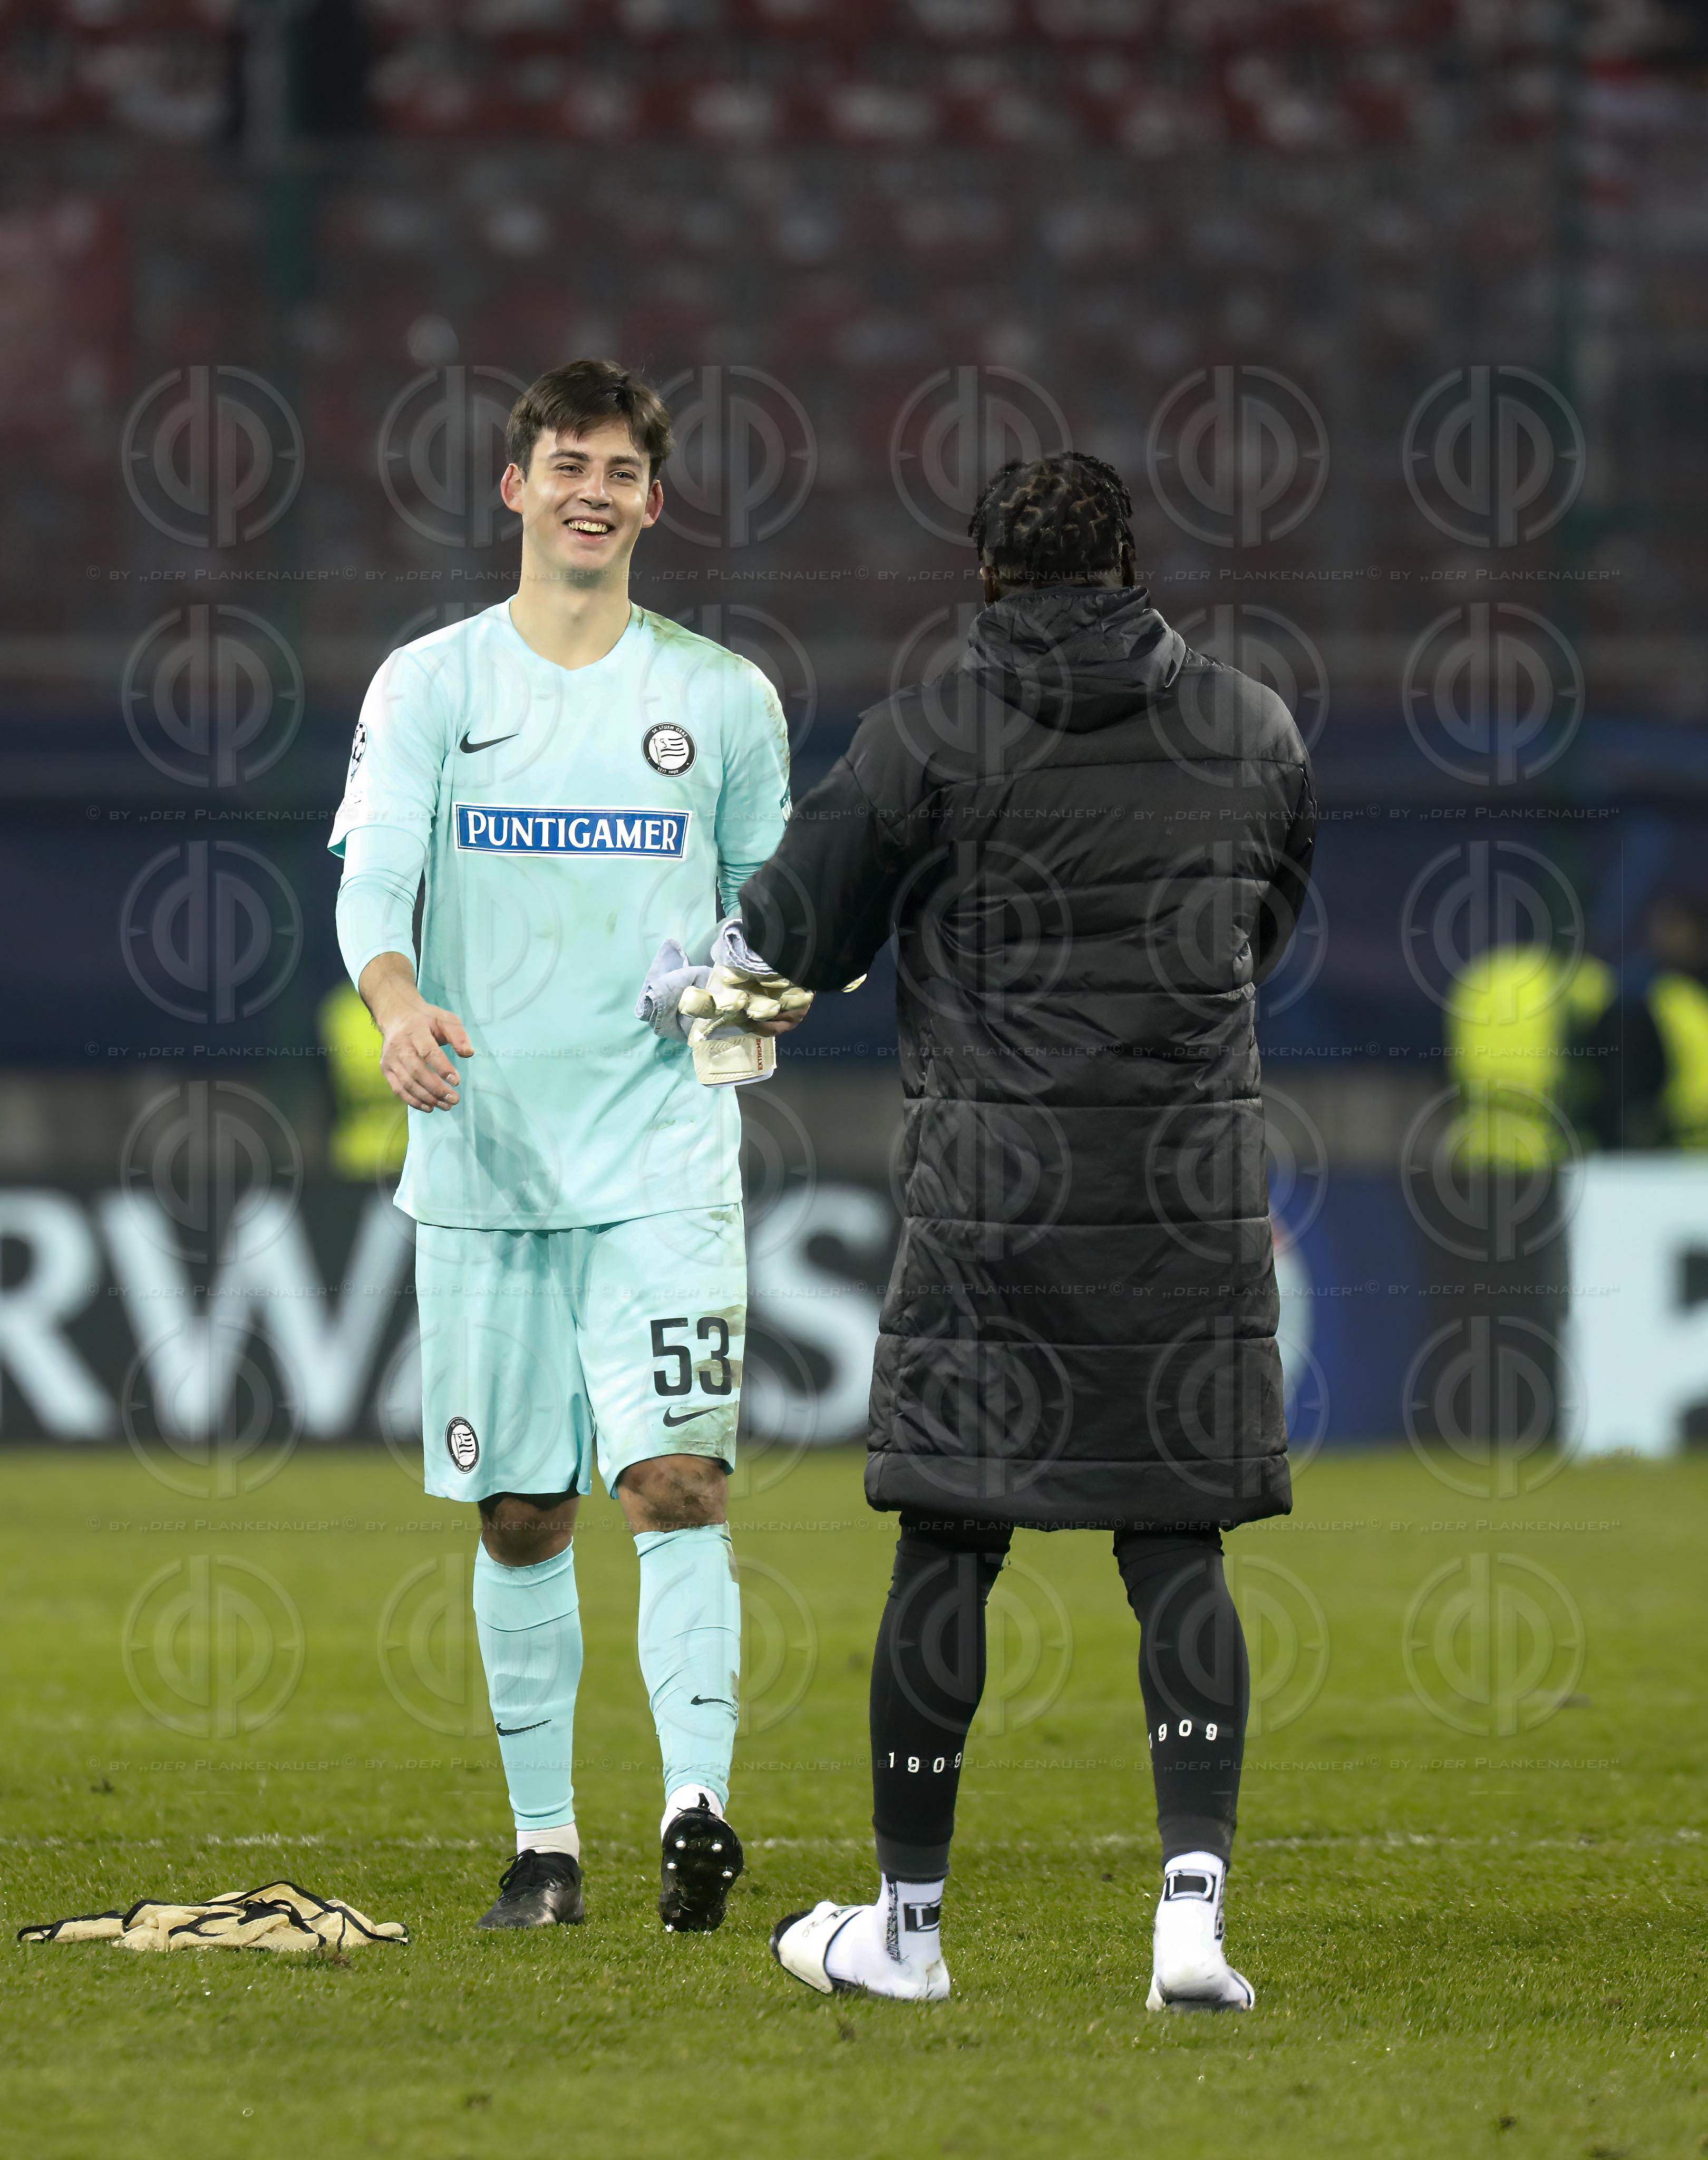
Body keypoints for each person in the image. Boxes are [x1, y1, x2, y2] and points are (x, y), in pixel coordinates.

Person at [733, 452, 1317, 2008]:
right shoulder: (1253, 728)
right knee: (1177, 1544)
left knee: (948, 1537)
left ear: (983, 574)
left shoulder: (922, 739)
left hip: (991, 1204)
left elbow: (790, 935)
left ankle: (907, 1933)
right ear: (1130, 558)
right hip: (1185, 1202)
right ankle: (1191, 1917)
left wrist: (725, 974)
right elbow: (1262, 925)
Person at [328, 358, 803, 1932]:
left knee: (676, 1480)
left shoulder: (723, 699)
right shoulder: (431, 687)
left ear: (655, 505)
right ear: (513, 486)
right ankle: (546, 1847)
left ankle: (695, 1813)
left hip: (664, 1160)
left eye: (620, 471)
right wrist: (396, 1000)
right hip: (486, 1162)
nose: (591, 490)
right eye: (566, 464)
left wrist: (749, 1005)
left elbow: (776, 924)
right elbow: (371, 885)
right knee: (523, 1509)